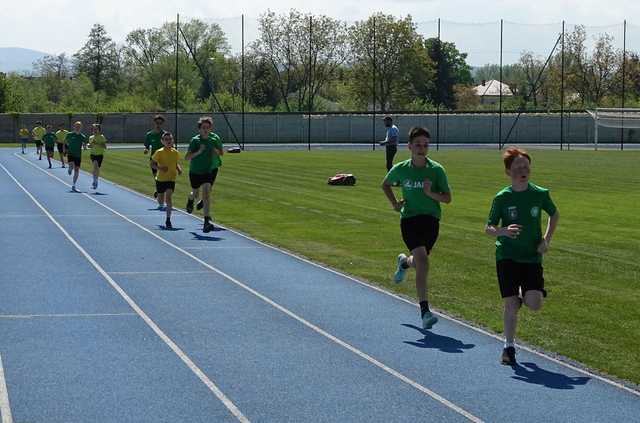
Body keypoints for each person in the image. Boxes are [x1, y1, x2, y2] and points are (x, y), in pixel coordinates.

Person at [485, 146, 560, 366]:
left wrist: (546, 240)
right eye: (518, 166)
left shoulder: (540, 194)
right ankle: (508, 348)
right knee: (511, 305)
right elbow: (488, 227)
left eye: (526, 166)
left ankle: (523, 293)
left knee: (534, 304)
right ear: (509, 171)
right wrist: (503, 231)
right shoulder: (502, 198)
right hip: (506, 256)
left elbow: (554, 214)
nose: (522, 170)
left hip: (531, 258)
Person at [382, 127, 452, 330]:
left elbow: (447, 198)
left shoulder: (437, 170)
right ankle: (425, 311)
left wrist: (430, 194)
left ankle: (404, 263)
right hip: (410, 219)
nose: (422, 148)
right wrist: (395, 204)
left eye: (425, 145)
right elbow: (385, 184)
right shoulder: (401, 168)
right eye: (418, 145)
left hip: (431, 220)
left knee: (419, 261)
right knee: (423, 261)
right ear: (410, 146)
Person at [185, 116, 217, 233]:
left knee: (207, 193)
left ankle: (206, 221)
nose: (205, 130)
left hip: (207, 171)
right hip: (195, 172)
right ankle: (190, 200)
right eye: (203, 127)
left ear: (210, 129)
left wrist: (215, 151)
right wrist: (199, 151)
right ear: (199, 129)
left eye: (207, 128)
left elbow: (219, 153)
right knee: (195, 192)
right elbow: (187, 157)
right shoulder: (195, 140)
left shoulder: (212, 140)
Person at [151, 132, 182, 229]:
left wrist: (179, 169)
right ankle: (158, 195)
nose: (168, 141)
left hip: (171, 179)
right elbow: (152, 164)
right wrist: (160, 168)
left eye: (170, 139)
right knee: (161, 201)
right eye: (166, 139)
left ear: (172, 141)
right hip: (160, 179)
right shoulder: (159, 152)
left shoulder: (175, 152)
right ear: (162, 141)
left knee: (168, 198)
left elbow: (175, 163)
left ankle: (168, 220)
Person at [144, 114, 168, 208]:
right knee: (157, 179)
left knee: (164, 180)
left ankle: (161, 202)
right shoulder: (149, 135)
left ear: (162, 123)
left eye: (160, 123)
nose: (158, 124)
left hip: (164, 159)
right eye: (157, 123)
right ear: (154, 123)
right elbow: (146, 146)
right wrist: (146, 150)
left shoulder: (165, 135)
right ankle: (159, 194)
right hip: (154, 160)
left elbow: (170, 145)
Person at [65, 121, 87, 192]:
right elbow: (65, 142)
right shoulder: (69, 134)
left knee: (77, 170)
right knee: (71, 166)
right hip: (71, 153)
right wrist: (65, 150)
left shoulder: (82, 136)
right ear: (74, 127)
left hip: (78, 155)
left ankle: (74, 185)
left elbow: (84, 145)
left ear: (81, 128)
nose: (78, 128)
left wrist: (85, 147)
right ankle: (70, 168)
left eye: (79, 126)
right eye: (76, 126)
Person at [88, 123, 107, 190]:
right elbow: (89, 146)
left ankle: (96, 180)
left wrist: (98, 144)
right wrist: (90, 144)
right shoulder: (91, 137)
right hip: (93, 154)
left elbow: (105, 147)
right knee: (95, 166)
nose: (95, 130)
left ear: (99, 130)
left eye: (96, 129)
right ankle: (94, 181)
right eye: (94, 129)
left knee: (97, 168)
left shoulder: (102, 137)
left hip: (100, 154)